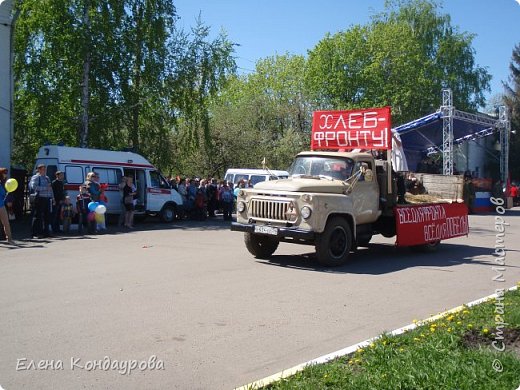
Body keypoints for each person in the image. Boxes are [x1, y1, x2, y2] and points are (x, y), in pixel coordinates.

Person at [29, 164, 54, 238]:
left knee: (47, 216)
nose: (44, 171)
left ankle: (46, 232)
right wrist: (45, 188)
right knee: (38, 216)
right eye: (43, 169)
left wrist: (52, 197)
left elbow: (50, 188)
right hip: (39, 198)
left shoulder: (47, 178)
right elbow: (33, 187)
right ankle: (35, 233)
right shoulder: (36, 177)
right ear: (39, 170)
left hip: (47, 198)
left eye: (45, 169)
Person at [0, 168, 14, 244]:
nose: (5, 175)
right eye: (4, 173)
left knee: (6, 223)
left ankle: (9, 239)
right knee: (5, 223)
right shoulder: (1, 183)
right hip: (2, 205)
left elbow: (6, 193)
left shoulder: (5, 182)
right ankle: (9, 239)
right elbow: (3, 194)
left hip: (2, 205)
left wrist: (9, 200)